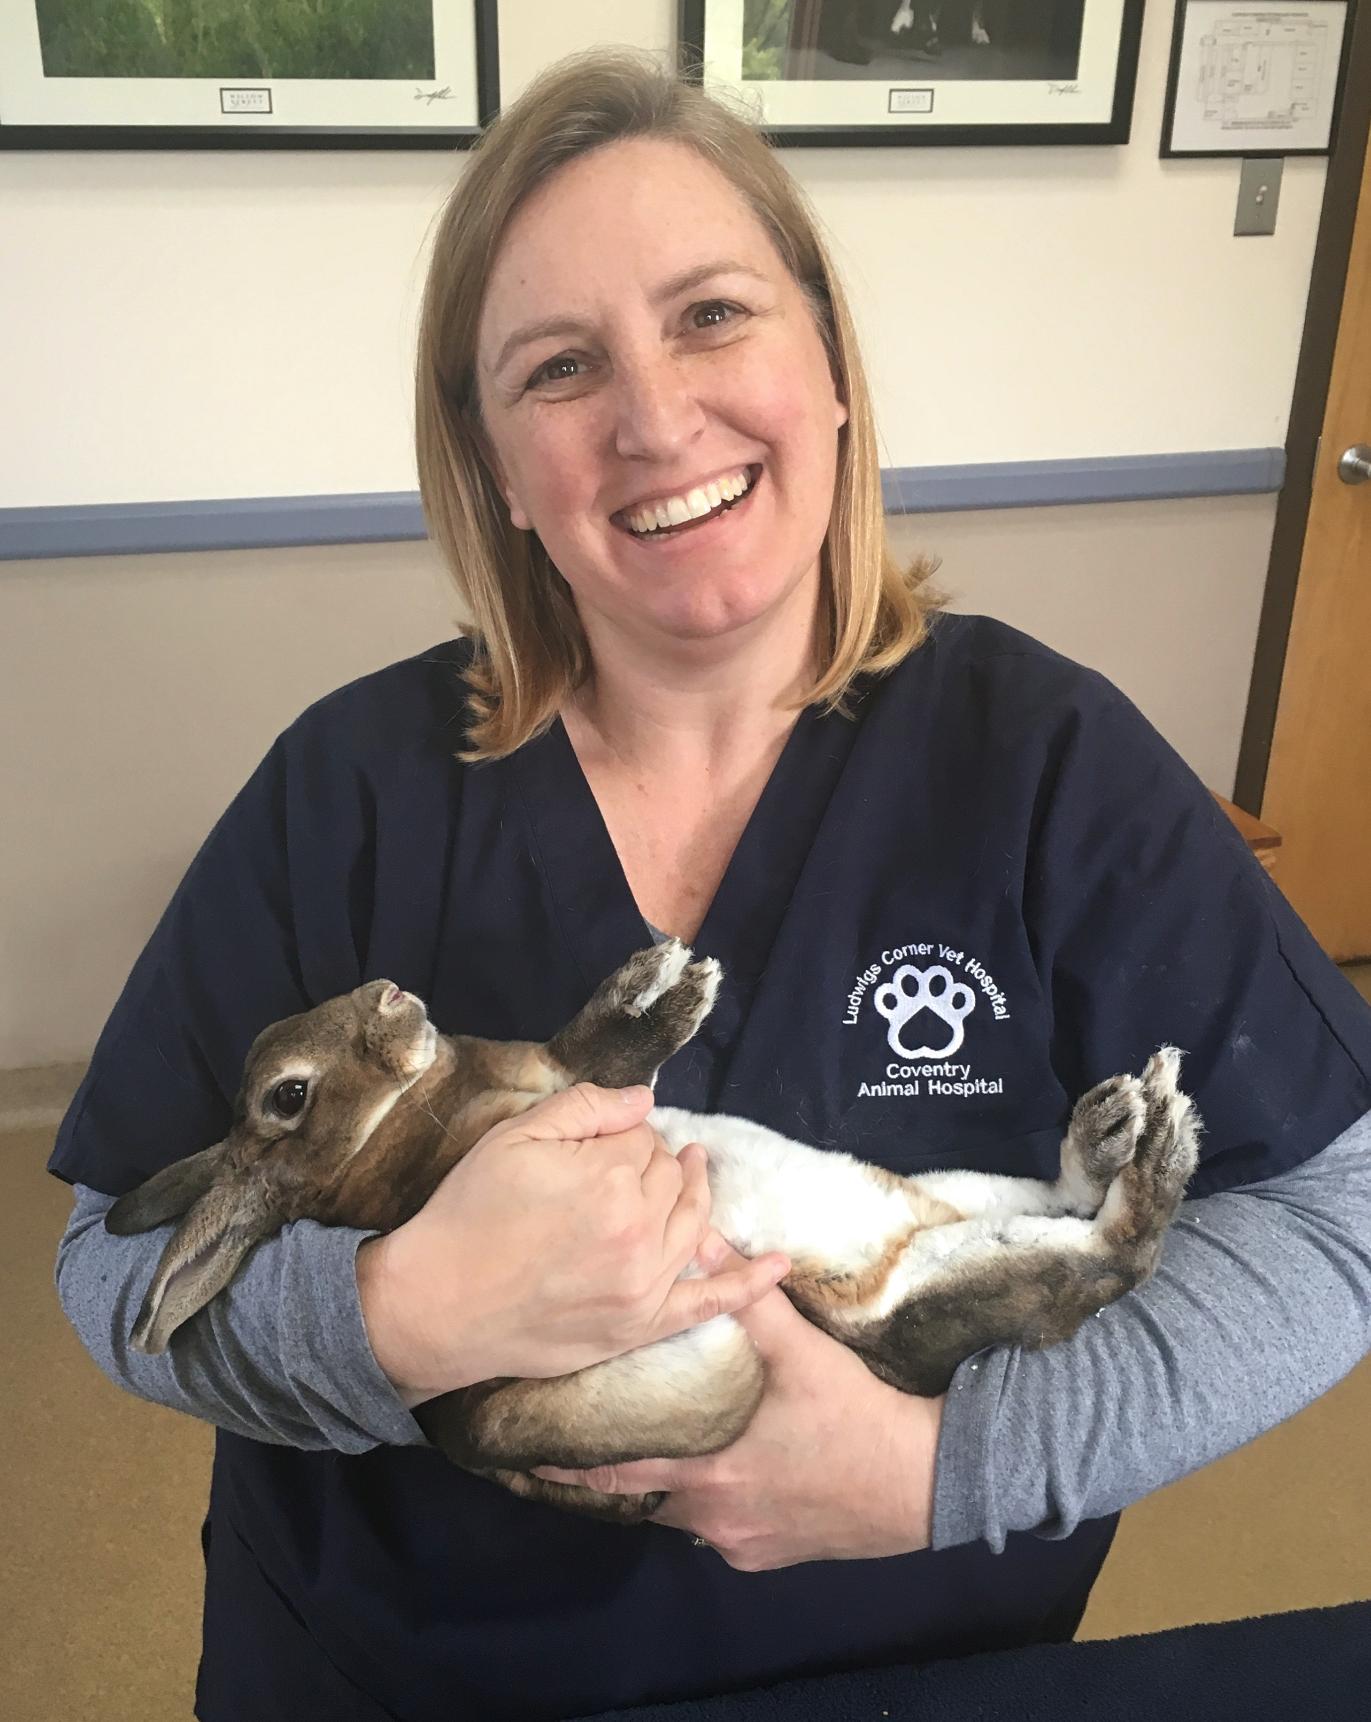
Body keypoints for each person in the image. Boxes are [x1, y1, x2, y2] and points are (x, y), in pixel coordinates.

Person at [50, 45, 1371, 1722]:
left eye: (715, 315)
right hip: (387, 1677)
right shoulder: (352, 793)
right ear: (498, 468)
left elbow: (1341, 1209)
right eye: (558, 367)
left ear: (829, 364)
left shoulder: (1041, 761)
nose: (655, 418)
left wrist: (945, 1471)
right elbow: (111, 1264)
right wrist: (402, 1315)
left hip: (910, 1668)